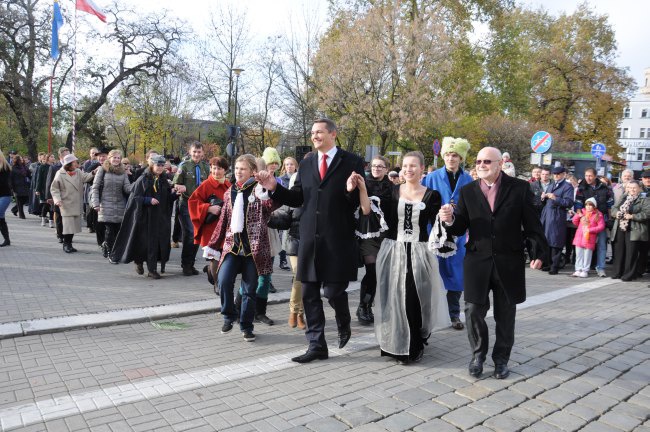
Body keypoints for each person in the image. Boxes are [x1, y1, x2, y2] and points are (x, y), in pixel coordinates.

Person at [255, 118, 365, 363]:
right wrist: (274, 186)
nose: (315, 136)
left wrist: (349, 190)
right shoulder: (306, 164)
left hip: (337, 237)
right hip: (309, 238)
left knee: (334, 291)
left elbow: (357, 202)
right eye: (313, 132)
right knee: (310, 293)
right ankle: (317, 345)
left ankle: (343, 320)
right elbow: (297, 199)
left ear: (333, 134)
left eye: (319, 132)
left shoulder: (352, 161)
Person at [439, 147, 548, 380]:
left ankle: (501, 360)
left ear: (500, 163)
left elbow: (532, 224)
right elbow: (461, 226)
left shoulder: (519, 188)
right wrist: (449, 221)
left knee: (505, 315)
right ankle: (478, 355)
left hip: (509, 260)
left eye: (487, 161)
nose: (481, 165)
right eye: (478, 161)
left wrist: (538, 252)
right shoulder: (468, 190)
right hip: (477, 259)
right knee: (472, 310)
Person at [356, 151, 448, 364]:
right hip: (393, 250)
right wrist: (362, 188)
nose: (408, 169)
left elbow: (438, 225)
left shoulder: (431, 195)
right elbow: (367, 210)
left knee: (415, 297)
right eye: (405, 165)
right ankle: (395, 344)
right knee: (392, 297)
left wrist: (447, 216)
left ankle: (414, 344)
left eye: (413, 166)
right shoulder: (392, 191)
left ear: (422, 169)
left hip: (419, 252)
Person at [204, 154, 279, 342]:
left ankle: (246, 326)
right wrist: (212, 245)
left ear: (252, 171)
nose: (238, 172)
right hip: (232, 247)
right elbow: (223, 222)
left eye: (243, 169)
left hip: (253, 250)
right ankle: (229, 315)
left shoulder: (260, 190)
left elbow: (272, 207)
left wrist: (268, 190)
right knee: (223, 280)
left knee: (249, 290)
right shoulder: (230, 192)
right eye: (236, 168)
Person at [422, 137, 473, 330]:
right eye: (448, 155)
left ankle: (453, 315)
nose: (451, 159)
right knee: (433, 273)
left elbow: (471, 207)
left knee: (455, 274)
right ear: (443, 157)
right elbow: (423, 203)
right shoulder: (431, 177)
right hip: (433, 234)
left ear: (460, 158)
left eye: (455, 155)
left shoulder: (468, 180)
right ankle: (431, 314)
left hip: (457, 235)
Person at [111, 155, 178, 278]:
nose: (160, 167)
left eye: (162, 165)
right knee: (144, 243)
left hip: (159, 218)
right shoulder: (143, 179)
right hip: (145, 218)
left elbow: (167, 200)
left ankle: (152, 269)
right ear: (152, 165)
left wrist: (176, 195)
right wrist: (148, 200)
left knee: (157, 243)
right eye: (158, 165)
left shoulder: (164, 180)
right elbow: (134, 197)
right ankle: (140, 262)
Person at [356, 155, 393, 325]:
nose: (376, 168)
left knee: (381, 273)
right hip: (367, 234)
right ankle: (364, 305)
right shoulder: (363, 183)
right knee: (372, 271)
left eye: (380, 166)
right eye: (374, 166)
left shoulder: (392, 188)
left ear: (387, 169)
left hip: (385, 234)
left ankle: (371, 304)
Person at [188, 156, 231, 287]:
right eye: (214, 168)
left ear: (225, 170)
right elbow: (192, 202)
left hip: (225, 228)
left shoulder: (229, 185)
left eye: (219, 168)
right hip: (211, 228)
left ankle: (212, 274)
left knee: (223, 257)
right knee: (214, 257)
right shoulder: (206, 185)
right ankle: (217, 285)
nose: (216, 171)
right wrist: (208, 208)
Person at [173, 142, 210, 276]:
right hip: (186, 203)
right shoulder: (183, 166)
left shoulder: (206, 167)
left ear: (202, 153)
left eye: (199, 152)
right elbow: (176, 182)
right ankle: (186, 265)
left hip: (200, 205)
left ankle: (191, 264)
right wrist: (179, 186)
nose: (197, 154)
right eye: (194, 152)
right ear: (190, 151)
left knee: (197, 235)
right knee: (189, 234)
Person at [91, 150, 132, 261]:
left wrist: (137, 185)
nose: (116, 160)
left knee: (118, 230)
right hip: (105, 203)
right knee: (109, 230)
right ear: (109, 158)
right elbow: (95, 187)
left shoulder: (123, 172)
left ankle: (107, 245)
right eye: (114, 157)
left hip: (120, 204)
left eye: (118, 158)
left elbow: (127, 188)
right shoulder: (102, 170)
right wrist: (95, 203)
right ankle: (112, 253)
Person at [50, 154, 96, 253]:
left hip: (76, 202)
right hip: (65, 203)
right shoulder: (60, 173)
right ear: (69, 163)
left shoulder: (78, 172)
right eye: (75, 162)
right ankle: (66, 244)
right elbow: (54, 189)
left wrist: (93, 173)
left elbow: (85, 178)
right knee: (68, 226)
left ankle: (69, 244)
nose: (76, 164)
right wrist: (57, 199)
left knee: (73, 226)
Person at [575, 168, 614, 277]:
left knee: (602, 245)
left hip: (600, 220)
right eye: (586, 175)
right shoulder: (581, 188)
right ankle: (581, 268)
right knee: (583, 245)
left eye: (590, 176)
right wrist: (581, 216)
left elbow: (610, 204)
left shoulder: (605, 188)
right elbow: (577, 204)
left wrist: (610, 219)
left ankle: (600, 268)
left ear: (595, 176)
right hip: (586, 221)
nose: (588, 178)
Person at [610, 181, 650, 281]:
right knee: (619, 251)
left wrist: (633, 216)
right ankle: (617, 272)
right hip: (620, 227)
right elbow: (613, 208)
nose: (632, 190)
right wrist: (617, 213)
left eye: (634, 188)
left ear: (639, 189)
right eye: (630, 187)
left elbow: (647, 213)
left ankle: (629, 274)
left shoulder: (644, 200)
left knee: (631, 252)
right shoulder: (623, 197)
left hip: (634, 228)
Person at [540, 166, 574, 275]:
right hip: (547, 215)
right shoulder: (551, 184)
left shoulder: (567, 186)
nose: (556, 176)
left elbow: (568, 203)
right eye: (554, 174)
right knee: (547, 240)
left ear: (563, 174)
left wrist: (555, 198)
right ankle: (548, 264)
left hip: (557, 215)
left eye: (558, 174)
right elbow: (547, 200)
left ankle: (554, 266)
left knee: (556, 241)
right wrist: (543, 197)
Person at [571, 198, 605, 278]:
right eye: (587, 205)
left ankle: (585, 270)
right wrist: (577, 216)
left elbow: (601, 226)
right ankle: (578, 269)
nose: (588, 207)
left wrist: (590, 230)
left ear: (594, 206)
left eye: (590, 205)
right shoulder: (582, 212)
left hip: (589, 238)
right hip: (579, 236)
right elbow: (575, 222)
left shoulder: (598, 214)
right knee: (578, 254)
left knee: (587, 255)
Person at [45, 147, 70, 244]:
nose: (67, 156)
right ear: (60, 156)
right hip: (57, 195)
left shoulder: (72, 166)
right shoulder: (54, 167)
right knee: (59, 215)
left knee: (68, 217)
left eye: (68, 154)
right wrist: (49, 196)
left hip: (69, 196)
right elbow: (49, 182)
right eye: (65, 155)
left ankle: (67, 234)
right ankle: (60, 235)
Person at [9, 155, 30, 219]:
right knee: (19, 201)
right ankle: (21, 215)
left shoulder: (24, 167)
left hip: (24, 185)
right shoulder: (13, 168)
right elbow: (10, 179)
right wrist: (12, 188)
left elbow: (29, 174)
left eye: (22, 159)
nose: (22, 160)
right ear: (17, 160)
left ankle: (14, 209)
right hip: (16, 186)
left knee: (26, 198)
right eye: (20, 159)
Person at [0, 150, 12, 247]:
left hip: (4, 196)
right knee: (1, 218)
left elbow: (3, 182)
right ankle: (7, 240)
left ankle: (7, 240)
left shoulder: (5, 167)